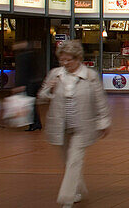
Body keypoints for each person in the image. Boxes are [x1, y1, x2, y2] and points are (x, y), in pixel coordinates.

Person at [38, 40, 110, 208]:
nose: (65, 63)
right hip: (60, 125)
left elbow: (100, 101)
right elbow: (42, 96)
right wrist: (49, 89)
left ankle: (66, 198)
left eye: (68, 59)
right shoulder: (55, 74)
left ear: (78, 59)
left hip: (82, 126)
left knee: (74, 160)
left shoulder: (90, 76)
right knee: (67, 161)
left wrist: (104, 121)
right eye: (62, 60)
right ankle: (79, 189)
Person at [13, 39, 43, 130]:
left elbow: (22, 72)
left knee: (29, 104)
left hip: (28, 84)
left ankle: (33, 124)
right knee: (32, 103)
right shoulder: (33, 54)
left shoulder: (22, 56)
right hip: (34, 82)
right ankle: (36, 123)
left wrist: (19, 85)